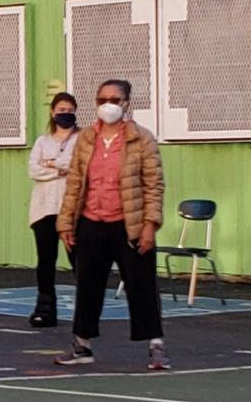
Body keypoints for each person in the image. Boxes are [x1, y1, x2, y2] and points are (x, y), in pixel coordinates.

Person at [55, 80, 168, 370]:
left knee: (141, 285)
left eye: (115, 99)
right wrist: (65, 223)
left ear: (127, 103)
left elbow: (154, 185)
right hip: (91, 221)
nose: (108, 104)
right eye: (102, 99)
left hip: (128, 223)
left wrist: (149, 225)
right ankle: (81, 345)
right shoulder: (86, 139)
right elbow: (75, 182)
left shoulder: (141, 138)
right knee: (87, 285)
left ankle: (155, 346)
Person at [26, 91, 80, 327]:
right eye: (61, 110)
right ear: (52, 112)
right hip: (44, 209)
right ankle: (45, 308)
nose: (65, 114)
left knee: (77, 258)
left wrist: (51, 164)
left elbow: (77, 165)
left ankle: (87, 308)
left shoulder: (81, 139)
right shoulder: (42, 141)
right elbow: (33, 170)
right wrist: (59, 169)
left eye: (69, 111)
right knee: (46, 260)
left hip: (71, 208)